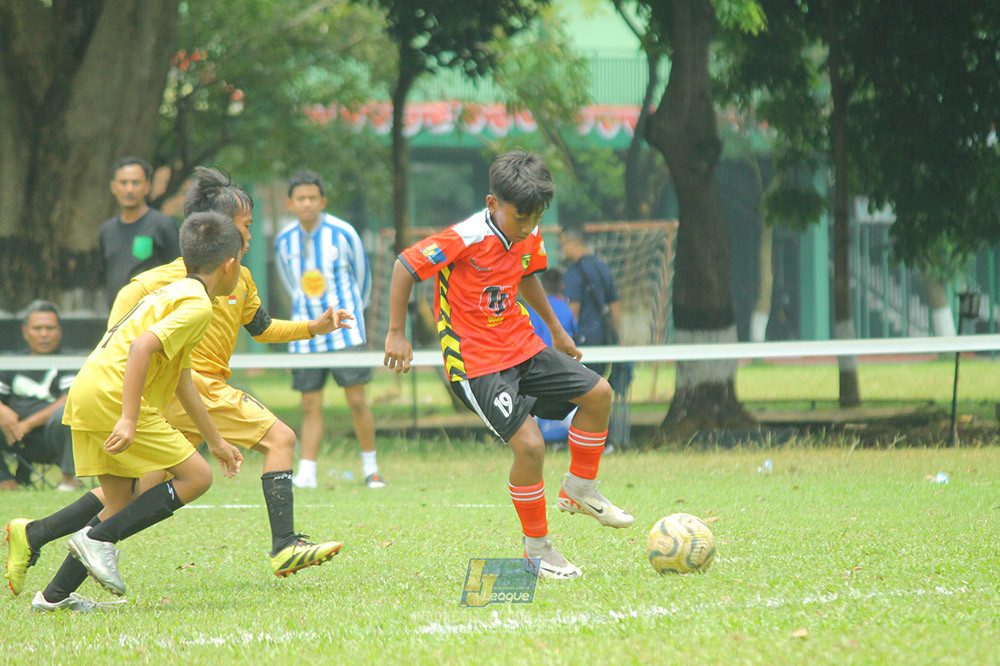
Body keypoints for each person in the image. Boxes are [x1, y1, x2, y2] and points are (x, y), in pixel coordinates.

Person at [4, 168, 349, 599]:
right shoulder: (162, 282)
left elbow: (260, 328)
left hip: (180, 390)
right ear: (217, 229)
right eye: (244, 226)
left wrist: (312, 328)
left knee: (131, 497)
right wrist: (126, 408)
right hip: (188, 390)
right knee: (280, 438)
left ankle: (45, 564)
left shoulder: (238, 277)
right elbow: (125, 341)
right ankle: (285, 546)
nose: (248, 236)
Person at [384, 150, 633, 580]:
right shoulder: (464, 237)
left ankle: (579, 489)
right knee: (531, 447)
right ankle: (537, 552)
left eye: (537, 218)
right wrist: (395, 332)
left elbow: (527, 276)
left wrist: (557, 330)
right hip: (476, 364)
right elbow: (405, 266)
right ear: (492, 203)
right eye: (521, 218)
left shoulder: (527, 232)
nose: (529, 227)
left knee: (599, 394)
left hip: (522, 345)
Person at [29, 211, 247, 612]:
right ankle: (98, 539)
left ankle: (53, 597)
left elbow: (182, 380)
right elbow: (142, 347)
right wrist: (129, 418)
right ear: (230, 265)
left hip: (88, 390)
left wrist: (216, 441)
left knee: (118, 502)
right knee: (197, 477)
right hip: (114, 396)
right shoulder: (198, 305)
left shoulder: (173, 291)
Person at [274, 170, 384, 490]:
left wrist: (350, 314)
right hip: (305, 332)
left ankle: (371, 470)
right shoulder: (284, 241)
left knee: (357, 400)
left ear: (323, 201)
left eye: (312, 198)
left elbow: (362, 279)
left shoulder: (344, 233)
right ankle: (307, 473)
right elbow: (288, 283)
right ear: (290, 203)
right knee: (309, 404)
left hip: (345, 332)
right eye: (300, 198)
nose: (307, 203)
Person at [0, 301, 79, 491]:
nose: (44, 334)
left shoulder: (71, 361)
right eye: (37, 328)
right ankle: (4, 480)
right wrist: (2, 411)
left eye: (50, 328)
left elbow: (70, 399)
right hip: (12, 435)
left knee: (66, 413)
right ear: (25, 332)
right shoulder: (12, 362)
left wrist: (27, 424)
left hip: (52, 439)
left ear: (59, 331)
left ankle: (68, 480)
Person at [98, 157, 180, 303]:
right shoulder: (107, 231)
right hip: (117, 314)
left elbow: (180, 271)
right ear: (113, 186)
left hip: (153, 312)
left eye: (135, 183)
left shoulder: (163, 226)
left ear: (147, 187)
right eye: (123, 183)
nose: (129, 189)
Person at [559, 225, 623, 378]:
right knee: (598, 382)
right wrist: (618, 337)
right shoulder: (602, 267)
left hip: (583, 343)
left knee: (581, 385)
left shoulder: (574, 273)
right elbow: (615, 306)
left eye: (563, 243)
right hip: (604, 340)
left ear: (574, 242)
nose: (562, 248)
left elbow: (572, 312)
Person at [523, 269, 577, 445]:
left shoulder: (532, 309)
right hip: (564, 361)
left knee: (536, 401)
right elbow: (574, 331)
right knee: (570, 399)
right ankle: (567, 438)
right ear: (562, 285)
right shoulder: (566, 308)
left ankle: (539, 439)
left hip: (538, 361)